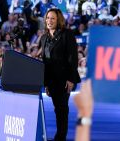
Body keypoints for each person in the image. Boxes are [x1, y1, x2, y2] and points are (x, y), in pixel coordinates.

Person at [39, 8, 81, 141]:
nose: (49, 21)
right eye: (47, 18)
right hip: (51, 81)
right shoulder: (44, 37)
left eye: (52, 18)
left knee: (62, 109)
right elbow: (45, 61)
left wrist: (70, 79)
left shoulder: (66, 34)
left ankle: (60, 137)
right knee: (58, 108)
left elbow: (72, 58)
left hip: (64, 80)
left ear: (59, 20)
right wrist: (45, 83)